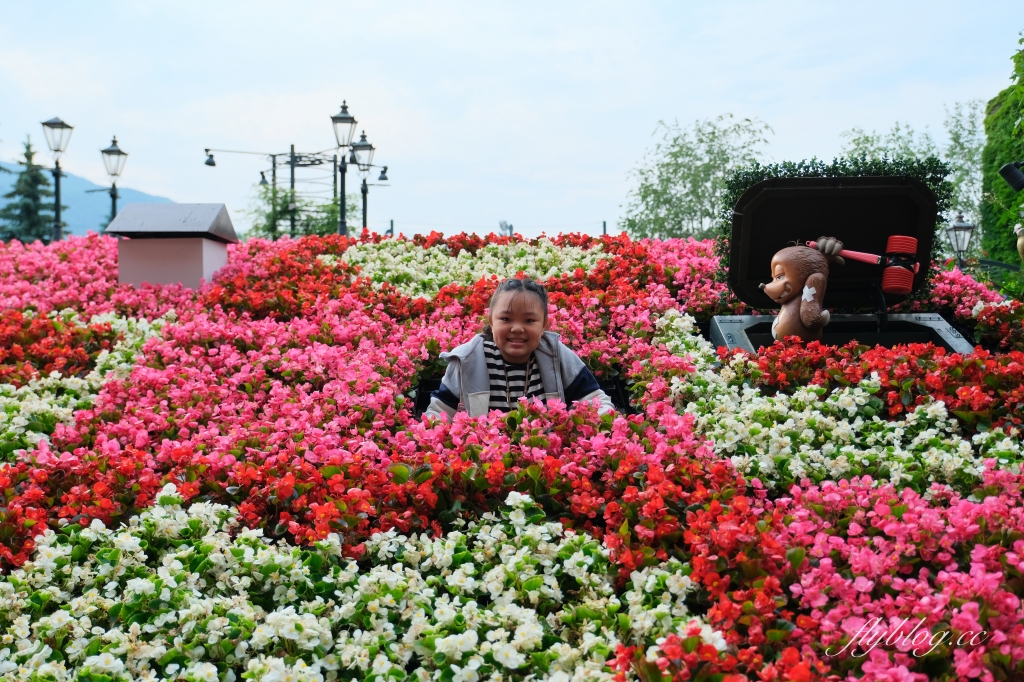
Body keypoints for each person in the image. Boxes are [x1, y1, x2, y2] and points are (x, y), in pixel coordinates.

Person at [424, 278, 616, 419]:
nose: (517, 328)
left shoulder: (557, 355)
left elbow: (596, 401)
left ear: (544, 326)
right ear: (491, 322)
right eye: (506, 319)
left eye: (529, 320)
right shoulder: (467, 360)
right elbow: (440, 412)